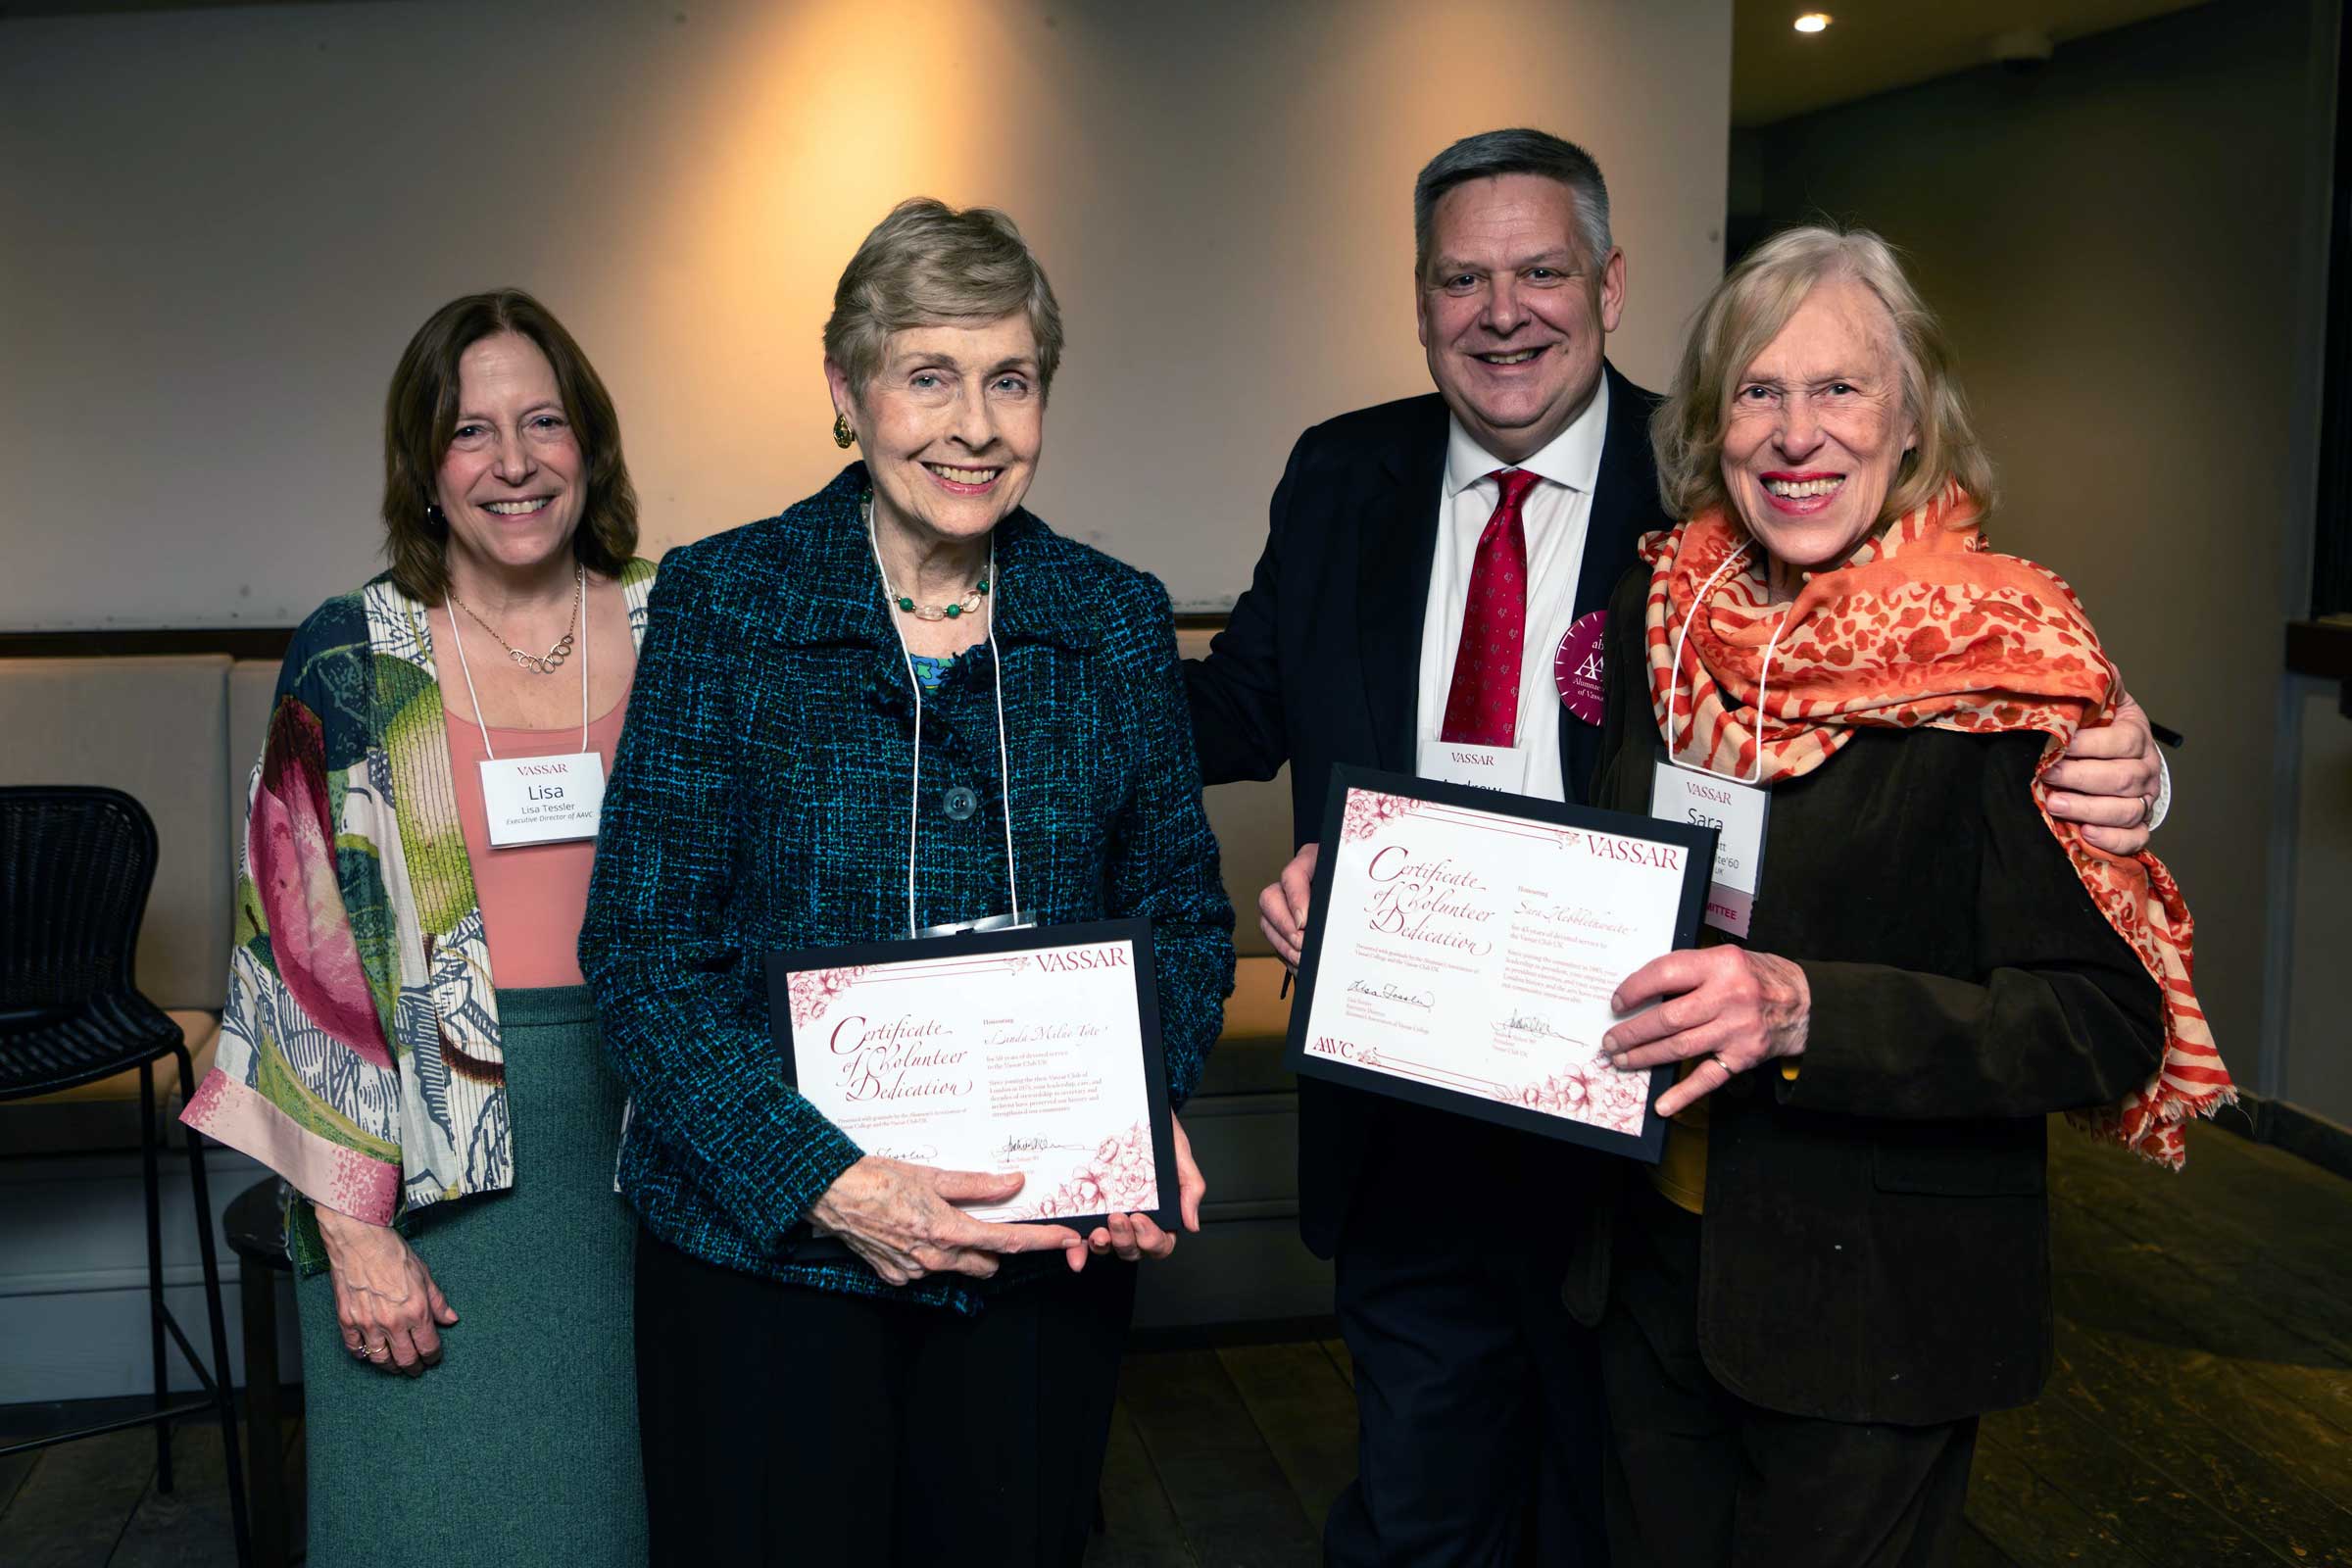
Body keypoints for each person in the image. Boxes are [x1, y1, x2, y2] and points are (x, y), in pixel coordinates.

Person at [1194, 128, 2174, 1565]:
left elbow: (2006, 736)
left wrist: (2135, 766)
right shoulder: (1374, 484)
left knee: (1606, 1519)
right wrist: (1009, 641)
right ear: (1420, 299)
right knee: (1422, 1512)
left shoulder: (1711, 514)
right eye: (1462, 277)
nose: (1503, 308)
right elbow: (1230, 711)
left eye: (1542, 269)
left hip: (1643, 1154)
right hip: (1421, 1123)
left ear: (1609, 282)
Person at [578, 197, 1234, 1567]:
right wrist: (827, 1181)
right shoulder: (727, 603)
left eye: (1011, 380)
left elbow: (1182, 913)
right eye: (929, 376)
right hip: (767, 1263)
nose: (974, 426)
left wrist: (1141, 1098)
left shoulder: (1111, 617)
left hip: (1035, 1257)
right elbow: (641, 958)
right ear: (847, 390)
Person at [1569, 222, 2231, 1566]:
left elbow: (2101, 1023)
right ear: (1713, 421)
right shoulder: (1666, 623)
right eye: (1759, 389)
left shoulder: (2008, 658)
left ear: (1911, 416)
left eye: (1839, 389)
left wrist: (1813, 1011)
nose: (1794, 432)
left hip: (1877, 1308)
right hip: (1649, 1270)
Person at [180, 289, 656, 1564]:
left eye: (543, 422)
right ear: (423, 465)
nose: (513, 463)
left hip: (662, 1156)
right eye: (470, 431)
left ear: (589, 444)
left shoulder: (686, 630)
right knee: (436, 1521)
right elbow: (296, 963)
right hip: (429, 1173)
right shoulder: (352, 654)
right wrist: (353, 1232)